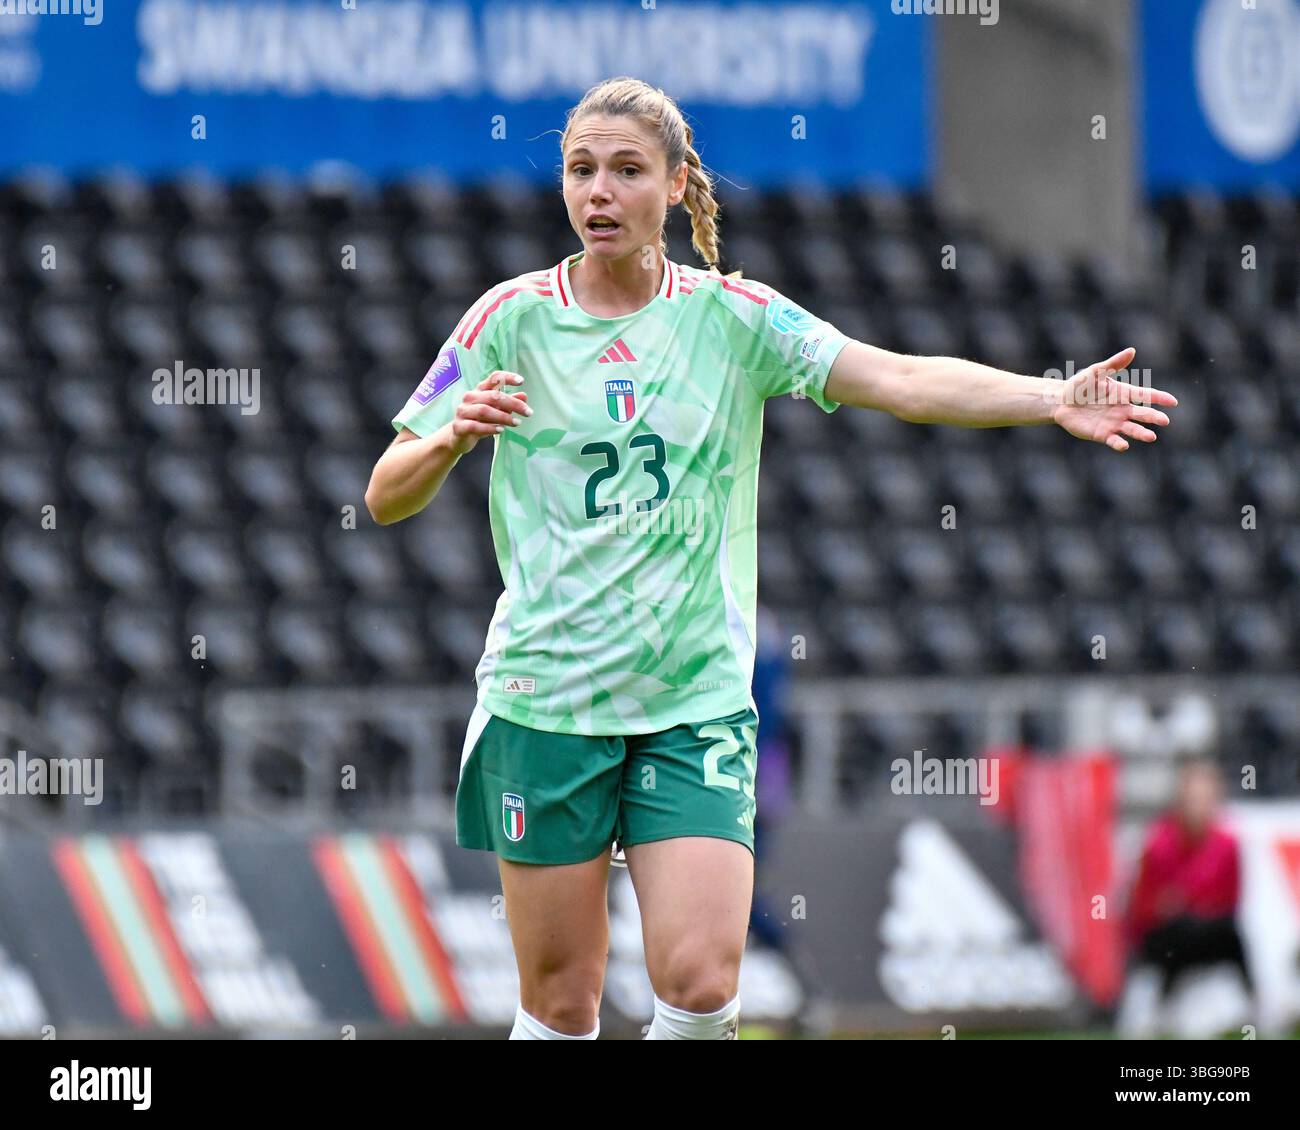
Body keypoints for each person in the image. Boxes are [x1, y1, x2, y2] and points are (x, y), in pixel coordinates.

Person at [364, 76, 1177, 1040]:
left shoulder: (734, 317)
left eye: (627, 171)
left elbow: (900, 378)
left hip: (694, 698)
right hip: (548, 701)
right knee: (562, 1003)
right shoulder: (508, 318)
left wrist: (1047, 398)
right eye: (581, 170)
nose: (600, 192)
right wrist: (453, 436)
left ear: (674, 186)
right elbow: (385, 493)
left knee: (703, 983)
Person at [1122, 759, 1254, 1018]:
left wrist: (1188, 902)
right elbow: (1142, 906)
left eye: (1207, 798)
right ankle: (1161, 1010)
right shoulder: (1158, 842)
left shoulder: (1227, 845)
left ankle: (1253, 1010)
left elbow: (1231, 900)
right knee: (1178, 934)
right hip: (1167, 934)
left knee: (1229, 935)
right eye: (1194, 798)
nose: (1200, 806)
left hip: (1208, 930)